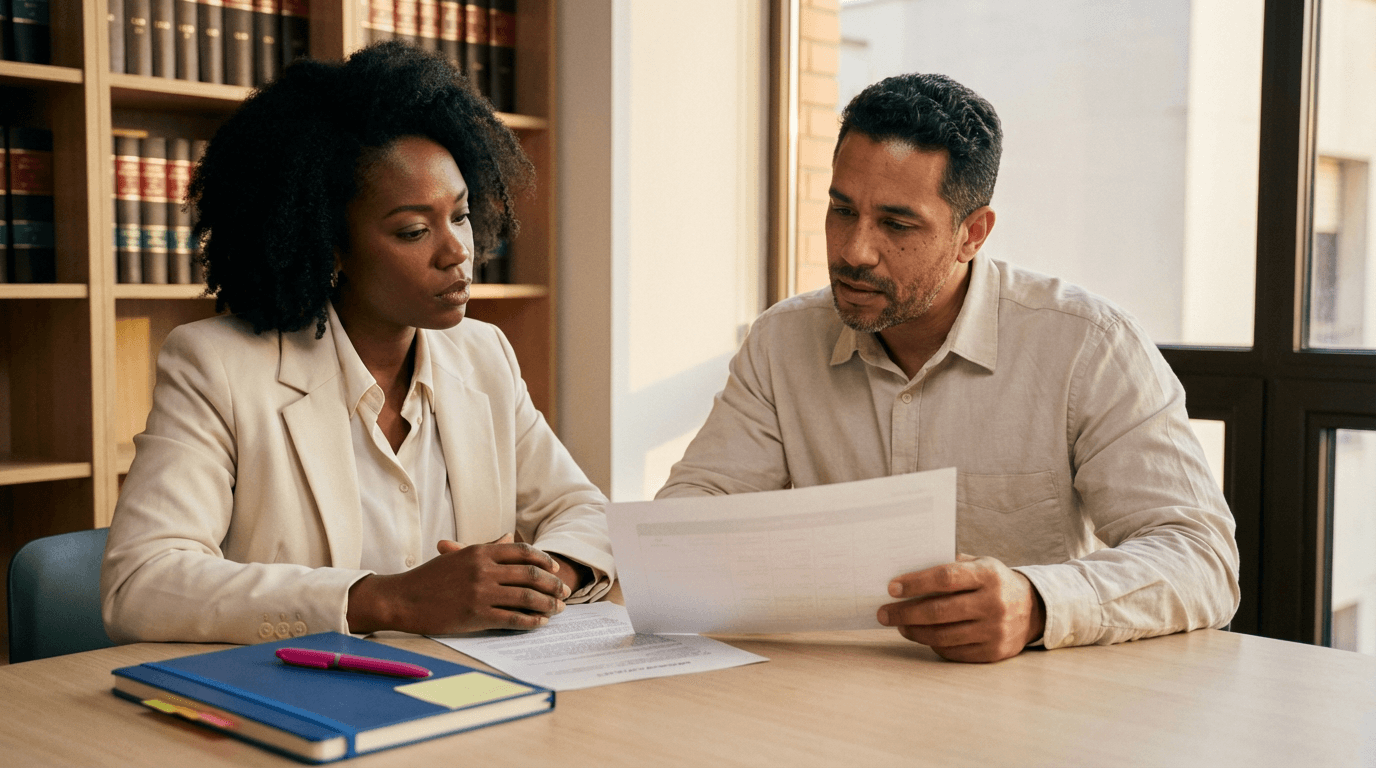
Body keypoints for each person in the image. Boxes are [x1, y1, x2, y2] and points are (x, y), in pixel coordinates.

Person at [657, 73, 1239, 663]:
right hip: (830, 686)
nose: (854, 251)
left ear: (972, 234)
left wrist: (1036, 603)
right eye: (841, 210)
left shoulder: (1089, 345)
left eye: (896, 224)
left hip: (1023, 698)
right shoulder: (782, 341)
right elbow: (688, 518)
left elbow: (1202, 558)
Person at [101, 42, 614, 646]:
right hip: (304, 690)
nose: (457, 252)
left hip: (469, 689)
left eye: (461, 215)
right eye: (414, 230)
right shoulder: (216, 366)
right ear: (331, 248)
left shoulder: (484, 355)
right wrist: (393, 600)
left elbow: (585, 512)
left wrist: (539, 578)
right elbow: (141, 582)